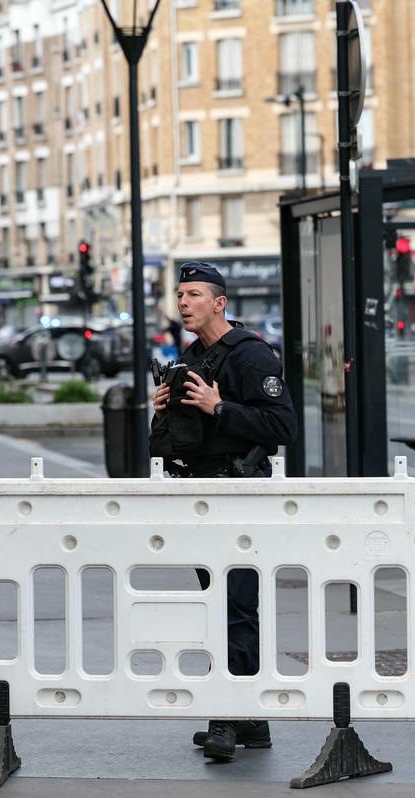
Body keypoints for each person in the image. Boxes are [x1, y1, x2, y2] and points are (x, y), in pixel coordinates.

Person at [149, 261, 296, 762]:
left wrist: (219, 407)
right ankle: (251, 721)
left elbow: (282, 426)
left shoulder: (251, 355)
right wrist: (166, 409)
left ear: (219, 303)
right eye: (180, 294)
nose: (183, 302)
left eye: (193, 294)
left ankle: (226, 719)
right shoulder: (192, 356)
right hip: (203, 494)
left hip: (239, 495)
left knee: (234, 606)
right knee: (222, 606)